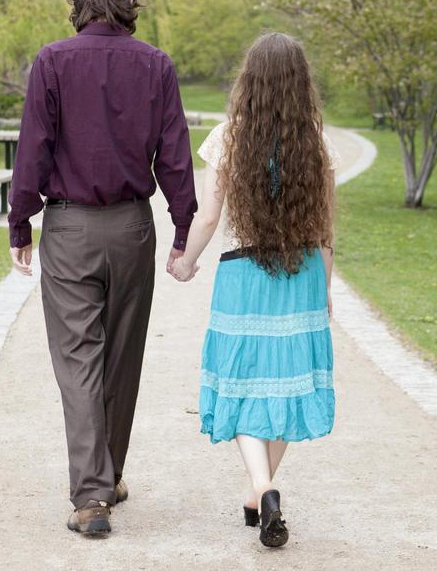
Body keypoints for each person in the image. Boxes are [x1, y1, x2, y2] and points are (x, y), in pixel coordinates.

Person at [7, 0, 197, 536]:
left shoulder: (52, 61)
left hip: (69, 231)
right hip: (133, 228)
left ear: (81, 0)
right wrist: (183, 227)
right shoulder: (156, 65)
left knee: (79, 362)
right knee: (120, 358)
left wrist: (21, 221)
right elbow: (174, 154)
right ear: (130, 4)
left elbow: (33, 148)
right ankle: (106, 477)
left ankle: (92, 497)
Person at [172, 32, 339, 548]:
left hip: (243, 277)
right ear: (301, 84)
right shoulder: (316, 141)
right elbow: (326, 230)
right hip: (301, 272)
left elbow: (209, 215)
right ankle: (257, 494)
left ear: (249, 81)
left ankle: (262, 486)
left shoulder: (227, 138)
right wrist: (325, 289)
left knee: (242, 385)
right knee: (292, 383)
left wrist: (185, 260)